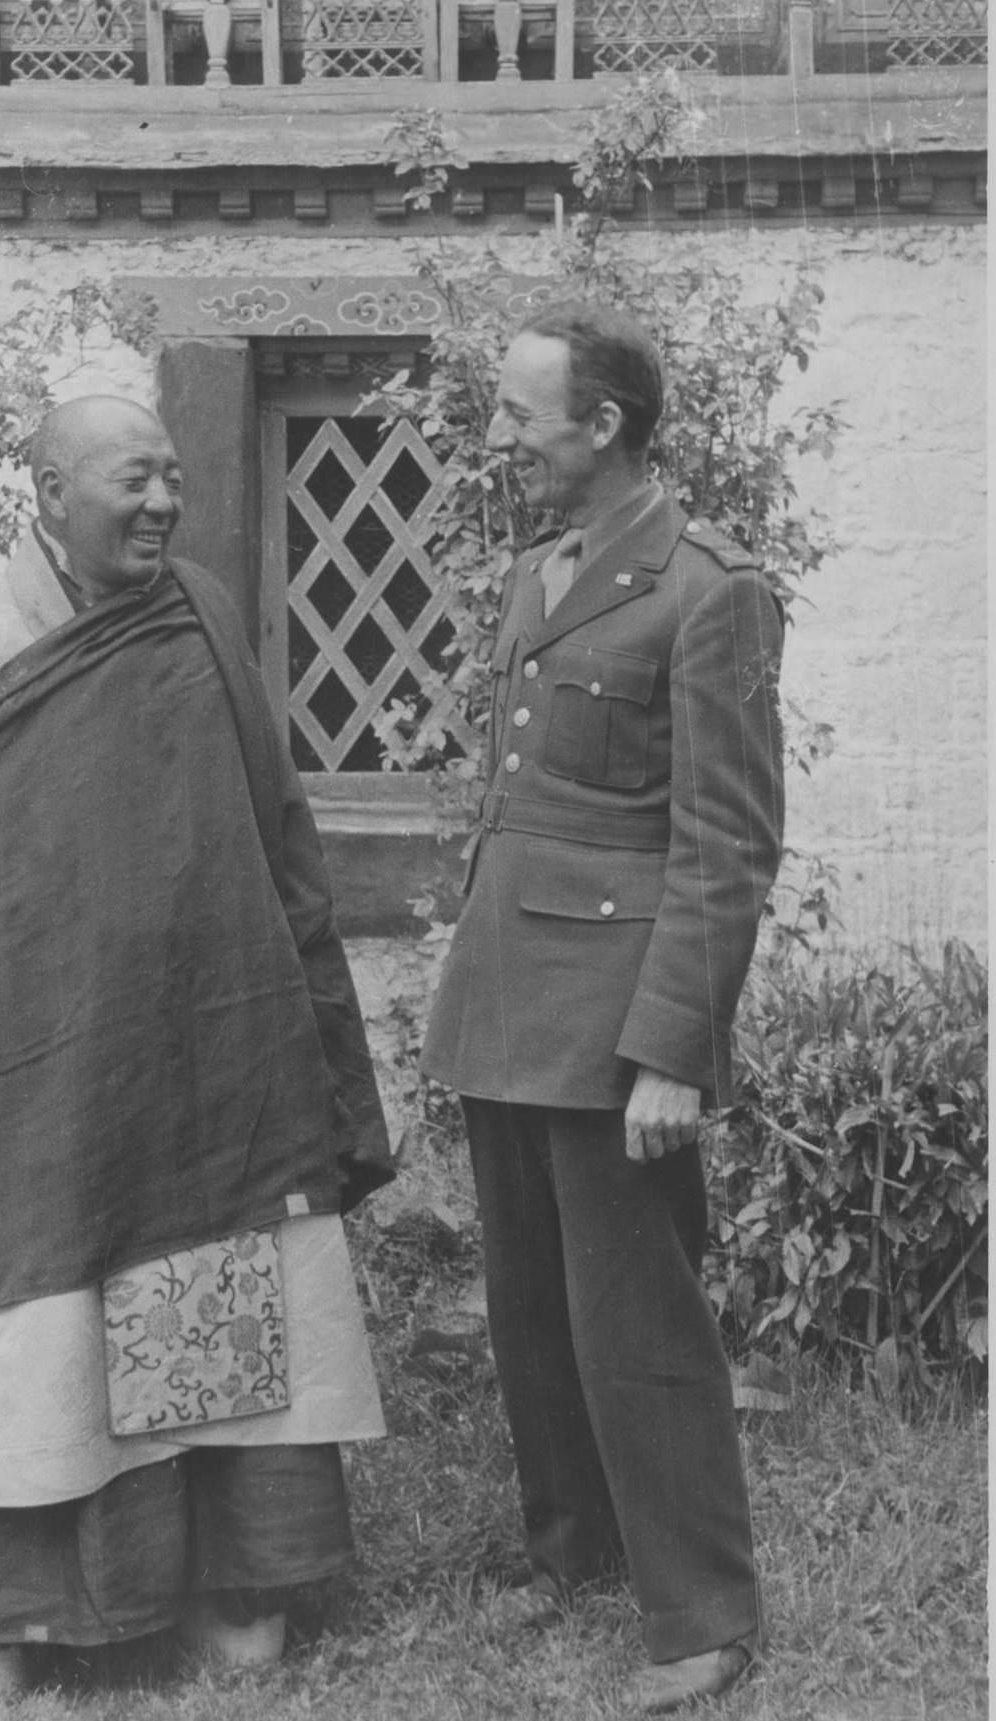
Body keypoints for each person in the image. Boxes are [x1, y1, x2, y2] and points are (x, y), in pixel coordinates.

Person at [0, 395, 395, 1695]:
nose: (163, 504)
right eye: (132, 481)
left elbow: (280, 827)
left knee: (211, 1300)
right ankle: (17, 1608)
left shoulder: (199, 618)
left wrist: (318, 1040)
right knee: (32, 1333)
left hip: (205, 1060)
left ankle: (237, 1576)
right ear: (45, 493)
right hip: (23, 1085)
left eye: (173, 482)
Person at [420, 304, 785, 1715]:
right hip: (514, 987)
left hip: (616, 1013)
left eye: (520, 414)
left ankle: (701, 1612)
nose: (500, 437)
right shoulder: (540, 569)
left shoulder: (708, 589)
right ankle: (574, 1544)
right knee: (529, 1301)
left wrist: (670, 1054)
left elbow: (727, 838)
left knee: (637, 1313)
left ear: (603, 425)